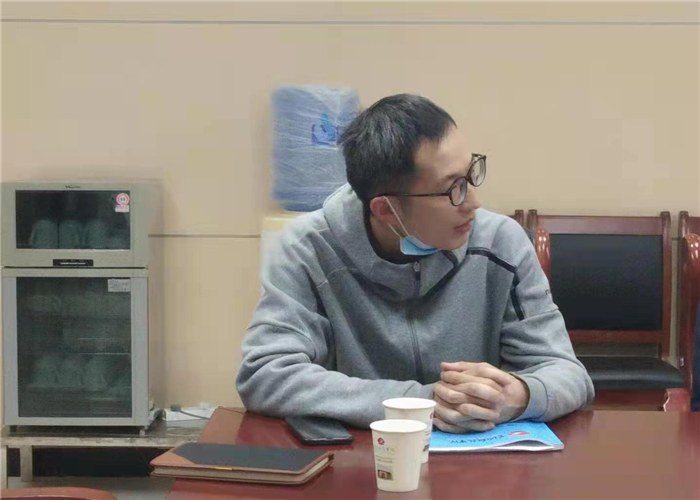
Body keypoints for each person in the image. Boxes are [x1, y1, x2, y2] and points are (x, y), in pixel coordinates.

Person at [236, 94, 594, 432]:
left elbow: (567, 373)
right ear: (385, 209)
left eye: (471, 174)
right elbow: (265, 375)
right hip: (360, 458)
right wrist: (419, 403)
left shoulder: (501, 242)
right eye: (453, 188)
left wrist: (519, 396)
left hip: (481, 460)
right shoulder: (308, 249)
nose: (474, 202)